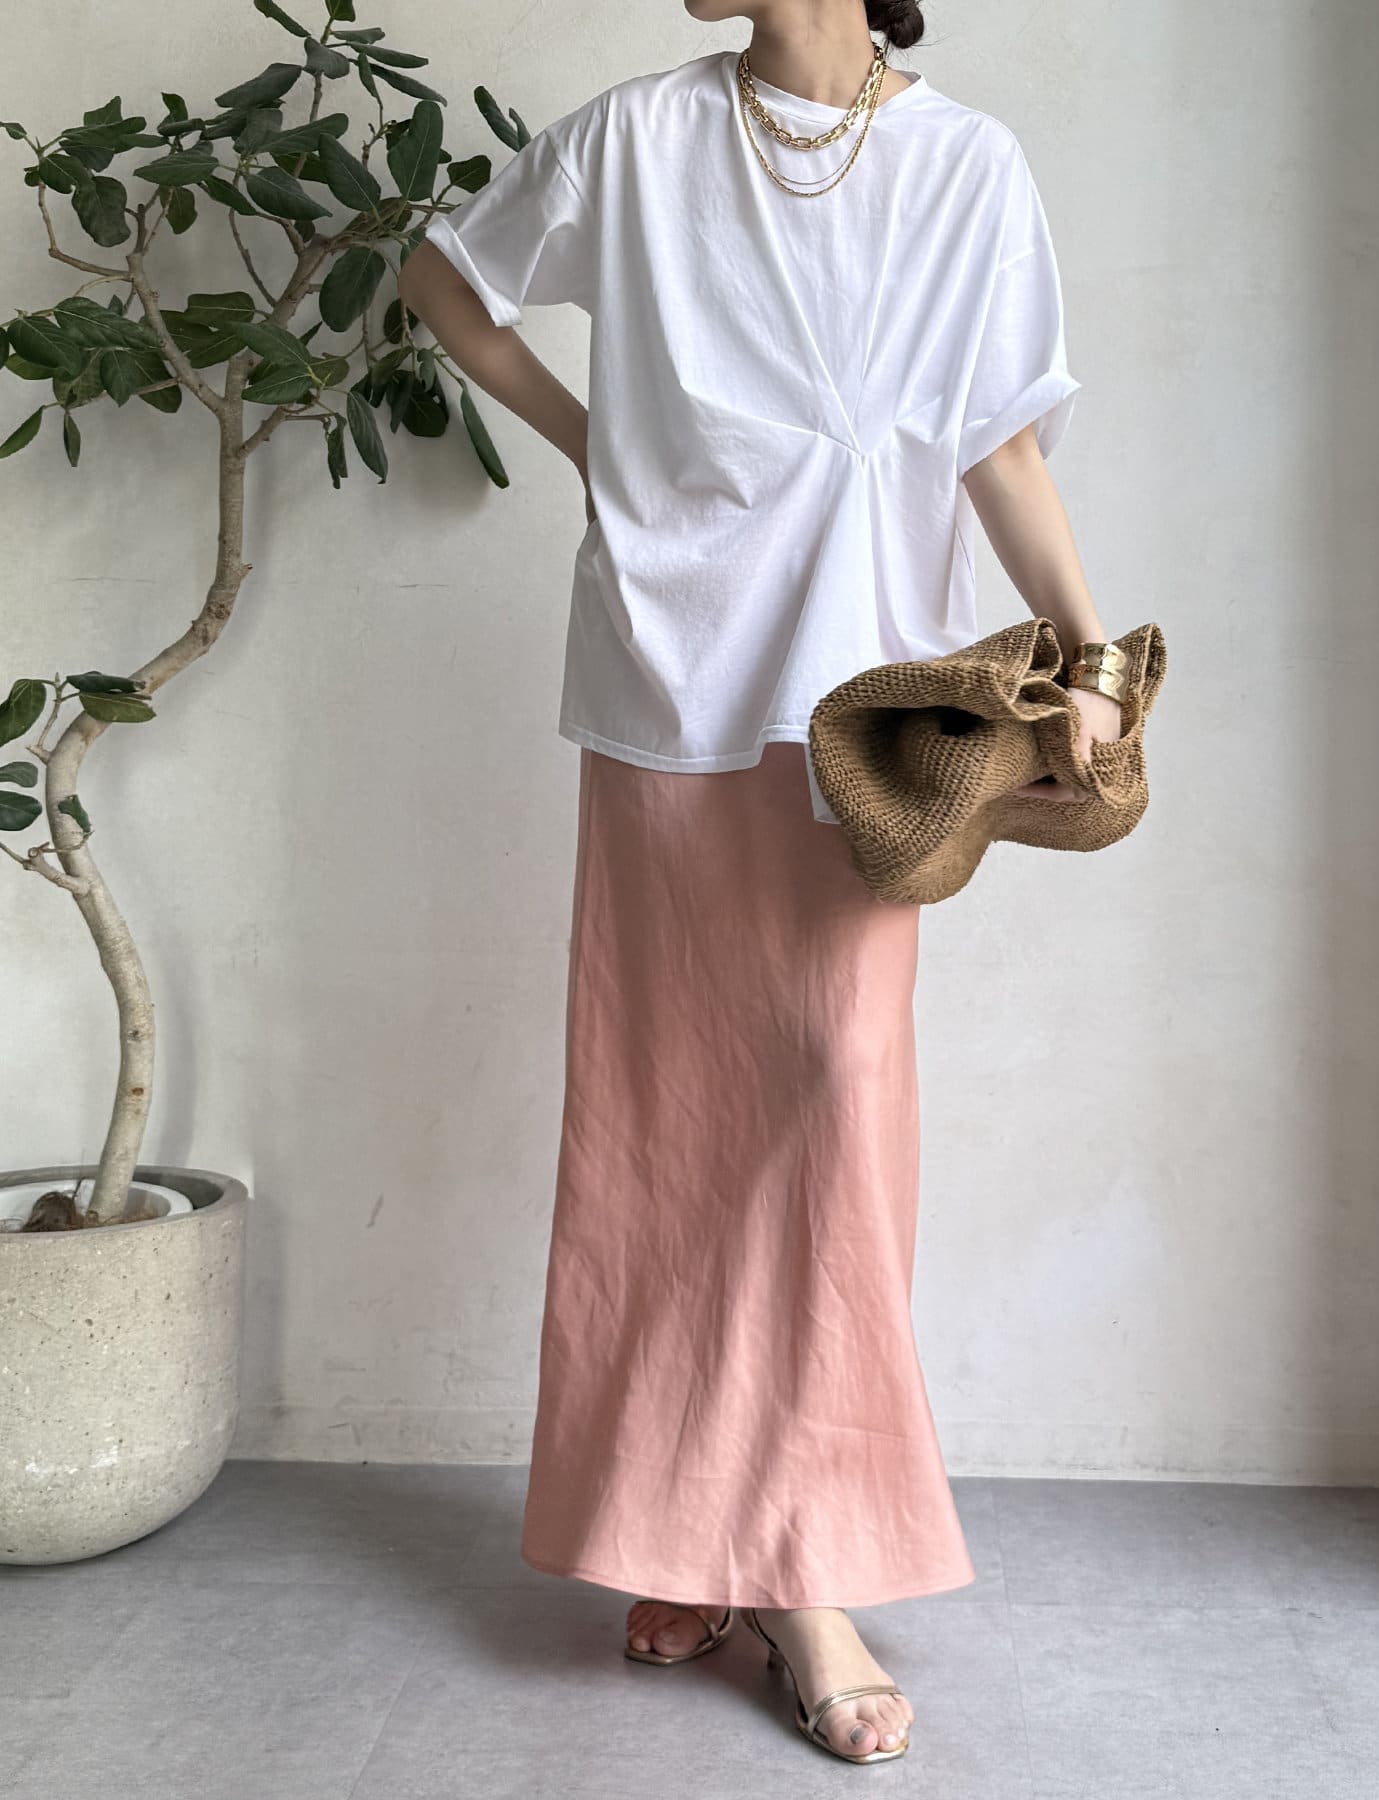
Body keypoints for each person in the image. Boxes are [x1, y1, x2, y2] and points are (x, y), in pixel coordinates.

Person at [397, 0, 1122, 1767]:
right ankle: (704, 1539)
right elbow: (444, 283)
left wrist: (1092, 654)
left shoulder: (965, 166)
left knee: (833, 1098)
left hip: (870, 721)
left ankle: (794, 1555)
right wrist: (601, 445)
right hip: (669, 684)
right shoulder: (635, 136)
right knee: (669, 1124)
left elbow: (999, 444)